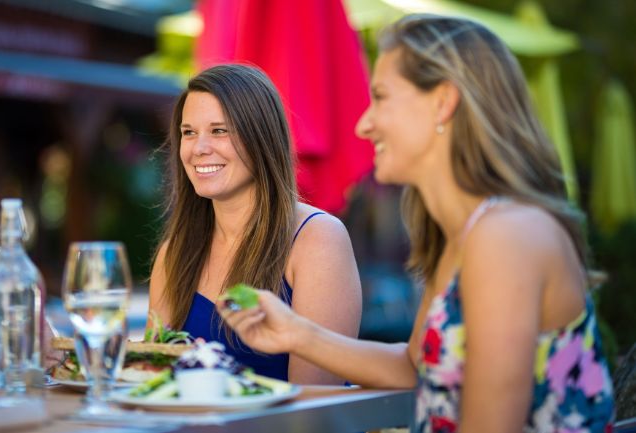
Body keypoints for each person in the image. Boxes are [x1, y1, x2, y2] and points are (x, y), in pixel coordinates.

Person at [221, 14, 614, 432]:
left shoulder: (506, 237)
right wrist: (297, 334)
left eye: (381, 97)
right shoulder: (467, 236)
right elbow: (414, 365)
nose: (363, 123)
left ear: (443, 102)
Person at [147, 64, 362, 384]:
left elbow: (314, 408)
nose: (199, 148)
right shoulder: (173, 254)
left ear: (261, 138)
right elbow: (152, 380)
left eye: (219, 130)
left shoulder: (317, 239)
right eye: (188, 132)